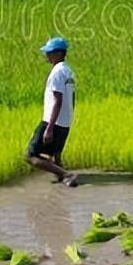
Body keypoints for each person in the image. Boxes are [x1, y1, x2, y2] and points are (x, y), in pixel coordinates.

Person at [25, 36, 79, 187]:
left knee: (30, 156)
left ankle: (67, 175)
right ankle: (63, 179)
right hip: (64, 121)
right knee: (56, 154)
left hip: (52, 121)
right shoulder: (68, 71)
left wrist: (49, 128)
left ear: (59, 53)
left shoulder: (57, 73)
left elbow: (58, 100)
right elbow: (72, 98)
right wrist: (69, 117)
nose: (47, 56)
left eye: (49, 53)